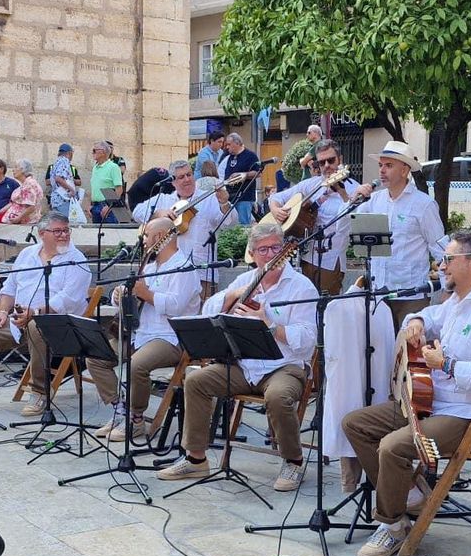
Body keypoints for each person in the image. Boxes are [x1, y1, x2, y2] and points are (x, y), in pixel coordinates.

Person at [342, 230, 471, 556]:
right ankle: (409, 494)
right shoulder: (455, 303)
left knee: (392, 447)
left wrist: (447, 364)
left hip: (465, 415)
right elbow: (426, 316)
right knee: (355, 424)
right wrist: (416, 321)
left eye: (448, 259)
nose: (441, 266)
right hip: (429, 403)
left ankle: (392, 526)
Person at [160, 222, 317, 490]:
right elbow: (208, 311)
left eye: (276, 248)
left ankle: (293, 461)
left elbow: (307, 340)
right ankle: (196, 458)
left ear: (285, 251)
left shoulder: (301, 287)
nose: (271, 254)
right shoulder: (246, 280)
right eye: (263, 250)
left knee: (278, 396)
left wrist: (269, 324)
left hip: (284, 366)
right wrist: (232, 295)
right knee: (196, 381)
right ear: (252, 254)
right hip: (246, 365)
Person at [0, 213, 91, 414]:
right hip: (20, 321)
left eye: (66, 230)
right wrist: (2, 312)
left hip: (59, 325)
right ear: (42, 233)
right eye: (58, 231)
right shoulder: (28, 254)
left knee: (36, 325)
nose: (64, 235)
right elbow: (10, 288)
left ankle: (41, 392)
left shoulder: (76, 260)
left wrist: (35, 313)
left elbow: (68, 299)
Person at [88, 218, 203, 440]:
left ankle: (136, 419)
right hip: (139, 333)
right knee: (95, 356)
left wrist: (146, 294)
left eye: (146, 236)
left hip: (170, 337)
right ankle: (120, 411)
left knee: (136, 365)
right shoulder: (148, 267)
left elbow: (176, 306)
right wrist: (119, 295)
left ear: (159, 237)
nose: (143, 241)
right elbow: (132, 301)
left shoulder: (184, 268)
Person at [350, 142, 446, 329]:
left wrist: (448, 289)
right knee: (379, 346)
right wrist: (353, 200)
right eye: (380, 165)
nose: (382, 171)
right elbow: (345, 226)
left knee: (407, 345)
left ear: (404, 170)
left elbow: (440, 248)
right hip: (378, 294)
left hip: (410, 295)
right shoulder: (373, 201)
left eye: (389, 165)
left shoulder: (424, 204)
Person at [269, 138, 358, 295]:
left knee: (328, 304)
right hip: (307, 256)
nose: (326, 166)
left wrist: (343, 194)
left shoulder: (354, 189)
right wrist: (276, 209)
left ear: (340, 159)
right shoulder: (311, 184)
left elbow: (353, 221)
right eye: (321, 162)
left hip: (331, 260)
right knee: (306, 301)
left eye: (331, 160)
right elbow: (277, 197)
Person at [133, 160, 231, 298]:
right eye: (181, 177)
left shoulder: (209, 198)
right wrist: (159, 214)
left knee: (200, 310)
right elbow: (137, 212)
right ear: (173, 182)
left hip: (200, 270)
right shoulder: (164, 199)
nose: (187, 179)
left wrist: (224, 203)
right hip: (169, 272)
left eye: (189, 175)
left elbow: (229, 222)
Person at [222, 132, 261, 224]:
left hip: (244, 197)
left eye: (229, 144)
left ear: (237, 143)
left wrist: (244, 175)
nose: (227, 147)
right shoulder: (230, 157)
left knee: (243, 224)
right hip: (230, 196)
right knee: (231, 224)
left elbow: (258, 173)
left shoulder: (250, 156)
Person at [89, 141, 123, 223]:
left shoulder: (113, 167)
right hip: (95, 206)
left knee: (109, 230)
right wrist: (90, 205)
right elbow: (95, 187)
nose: (92, 153)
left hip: (107, 206)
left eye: (94, 150)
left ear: (103, 152)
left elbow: (119, 189)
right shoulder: (95, 168)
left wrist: (109, 206)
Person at [48, 143, 76, 217]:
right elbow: (58, 178)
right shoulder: (64, 161)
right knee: (65, 221)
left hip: (55, 199)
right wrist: (71, 190)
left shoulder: (57, 161)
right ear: (69, 153)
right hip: (62, 199)